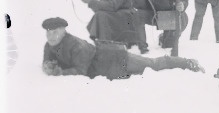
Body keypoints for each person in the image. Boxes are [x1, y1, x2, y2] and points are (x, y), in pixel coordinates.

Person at [41, 17, 203, 79]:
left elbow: (81, 70)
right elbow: (48, 59)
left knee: (153, 64)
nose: (51, 36)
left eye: (55, 32)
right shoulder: (50, 45)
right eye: (49, 33)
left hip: (117, 58)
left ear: (64, 31)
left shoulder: (76, 45)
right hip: (106, 68)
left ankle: (187, 63)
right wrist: (48, 65)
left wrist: (60, 72)